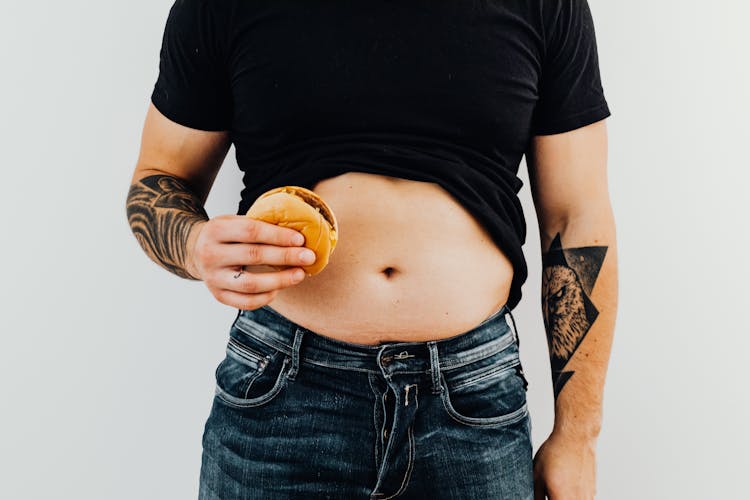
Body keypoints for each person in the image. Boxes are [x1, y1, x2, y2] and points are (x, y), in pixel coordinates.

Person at [126, 0, 618, 498]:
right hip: (280, 394)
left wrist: (579, 437)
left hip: (472, 402)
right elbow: (158, 177)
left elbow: (576, 218)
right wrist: (192, 244)